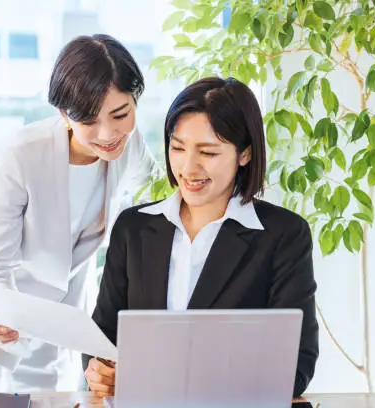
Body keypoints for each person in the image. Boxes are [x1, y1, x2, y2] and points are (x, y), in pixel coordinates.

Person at [0, 34, 157, 394]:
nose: (109, 133)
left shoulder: (130, 145)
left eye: (121, 114)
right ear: (64, 114)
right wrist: (3, 315)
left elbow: (156, 188)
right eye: (90, 121)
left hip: (49, 319)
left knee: (43, 399)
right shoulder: (22, 155)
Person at [83, 77, 319, 398]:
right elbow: (101, 338)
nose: (188, 168)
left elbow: (296, 368)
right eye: (177, 147)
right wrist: (100, 371)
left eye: (207, 152)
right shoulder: (133, 228)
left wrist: (178, 379)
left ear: (245, 154)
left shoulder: (283, 236)